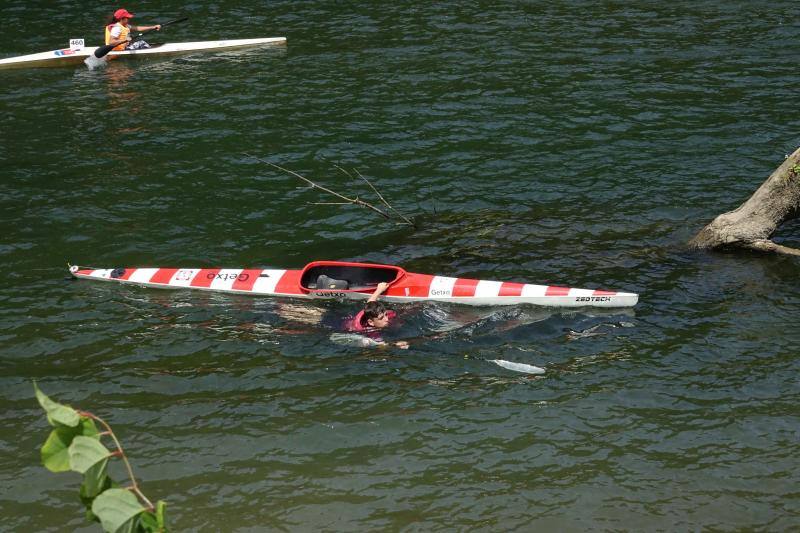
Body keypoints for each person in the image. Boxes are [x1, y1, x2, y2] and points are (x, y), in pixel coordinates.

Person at [344, 282, 409, 349]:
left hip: (376, 320)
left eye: (385, 315)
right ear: (371, 322)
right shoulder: (370, 332)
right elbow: (381, 344)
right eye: (381, 318)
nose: (386, 319)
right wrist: (395, 345)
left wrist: (380, 289)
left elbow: (370, 301)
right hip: (355, 328)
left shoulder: (369, 309)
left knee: (399, 313)